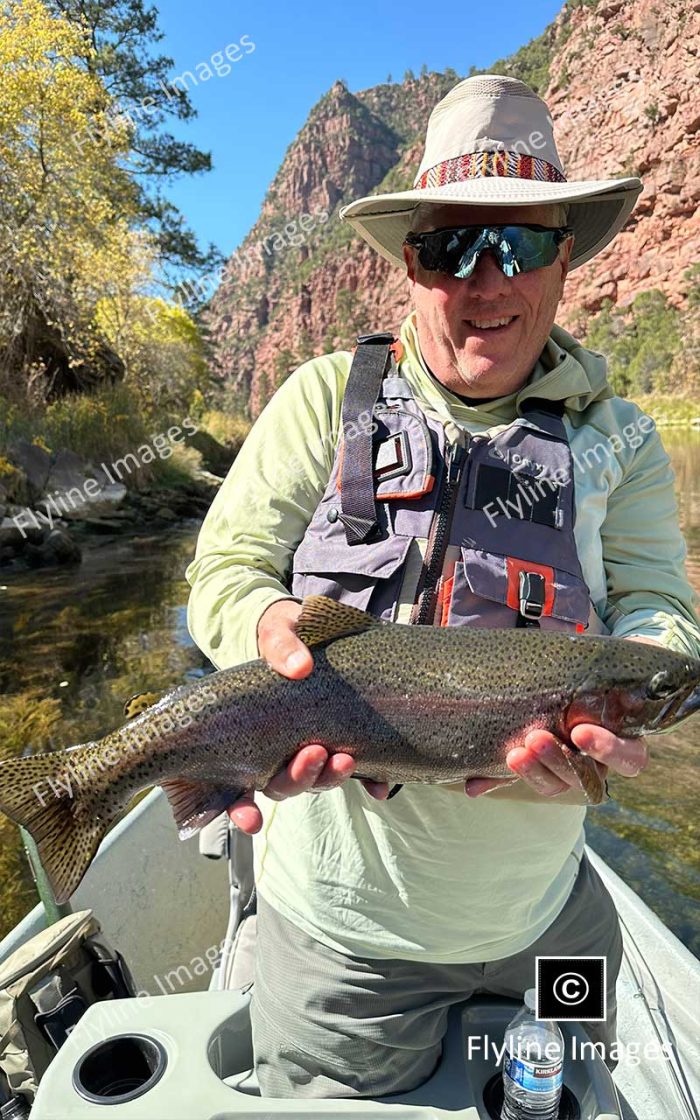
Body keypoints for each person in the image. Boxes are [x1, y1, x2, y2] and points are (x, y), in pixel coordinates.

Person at [186, 74, 700, 1098]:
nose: (484, 281)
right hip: (341, 944)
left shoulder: (623, 441)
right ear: (407, 264)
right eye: (450, 247)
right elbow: (223, 573)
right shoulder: (321, 399)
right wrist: (268, 621)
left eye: (515, 247)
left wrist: (644, 687)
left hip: (550, 917)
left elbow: (660, 612)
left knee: (576, 1087)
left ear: (565, 262)